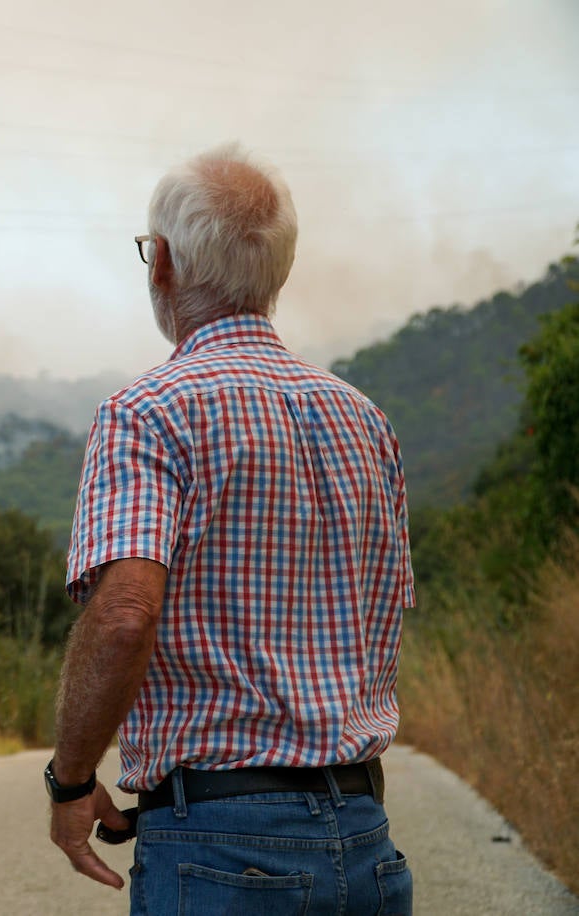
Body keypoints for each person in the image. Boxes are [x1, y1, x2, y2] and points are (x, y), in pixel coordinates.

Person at [45, 143, 415, 915]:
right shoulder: (365, 421)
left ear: (164, 267)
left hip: (221, 851)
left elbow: (122, 617)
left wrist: (71, 781)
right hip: (367, 842)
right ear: (275, 271)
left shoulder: (146, 414)